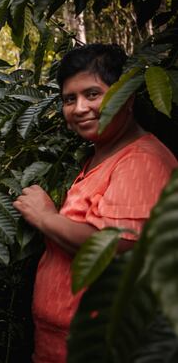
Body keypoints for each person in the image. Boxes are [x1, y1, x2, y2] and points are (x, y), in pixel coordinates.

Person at [13, 43, 178, 363]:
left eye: (93, 94)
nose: (79, 108)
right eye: (69, 99)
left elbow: (115, 247)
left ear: (127, 97)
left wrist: (45, 216)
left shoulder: (142, 161)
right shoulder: (100, 156)